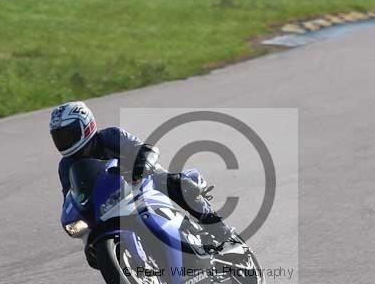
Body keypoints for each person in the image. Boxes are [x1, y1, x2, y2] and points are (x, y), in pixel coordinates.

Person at [49, 101, 235, 247]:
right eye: (59, 137)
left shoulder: (110, 136)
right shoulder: (66, 166)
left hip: (142, 181)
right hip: (110, 203)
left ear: (86, 125)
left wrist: (140, 166)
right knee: (91, 248)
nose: (65, 141)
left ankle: (219, 229)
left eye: (69, 134)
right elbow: (70, 195)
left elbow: (145, 149)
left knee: (178, 184)